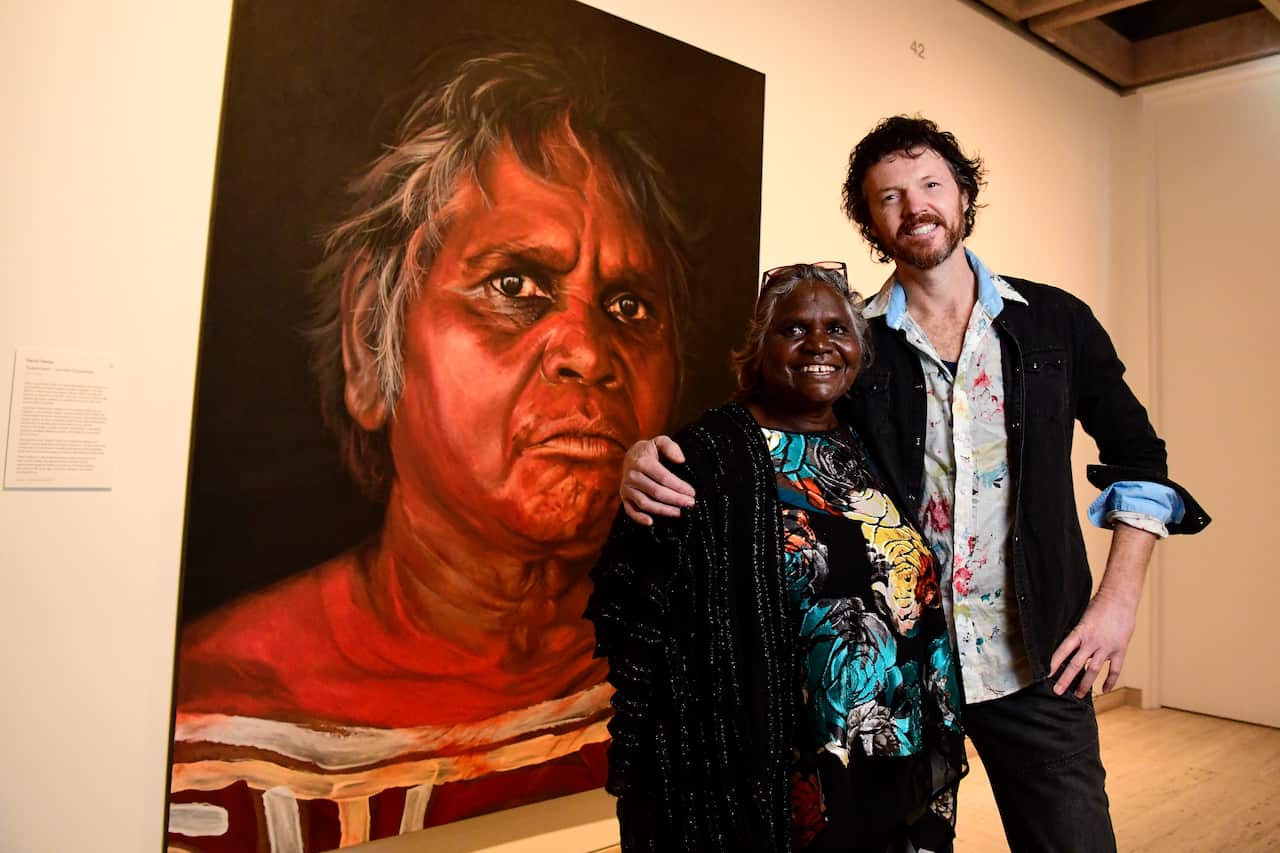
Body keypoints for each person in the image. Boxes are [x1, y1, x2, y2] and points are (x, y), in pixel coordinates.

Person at [616, 116, 1210, 852]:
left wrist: (1116, 606)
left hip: (1035, 665)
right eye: (889, 196)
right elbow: (764, 425)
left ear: (963, 195)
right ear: (871, 221)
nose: (915, 206)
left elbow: (1140, 460)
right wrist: (649, 451)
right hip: (903, 676)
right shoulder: (852, 340)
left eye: (931, 184)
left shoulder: (1055, 323)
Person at [167, 48, 688, 852]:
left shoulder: (696, 657)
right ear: (369, 339)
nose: (589, 352)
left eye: (628, 305)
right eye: (514, 286)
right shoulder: (214, 728)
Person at [588, 263, 967, 852]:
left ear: (859, 351)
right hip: (778, 771)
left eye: (837, 330)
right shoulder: (704, 457)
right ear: (758, 350)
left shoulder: (868, 441)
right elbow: (635, 606)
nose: (818, 344)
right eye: (794, 329)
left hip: (892, 748)